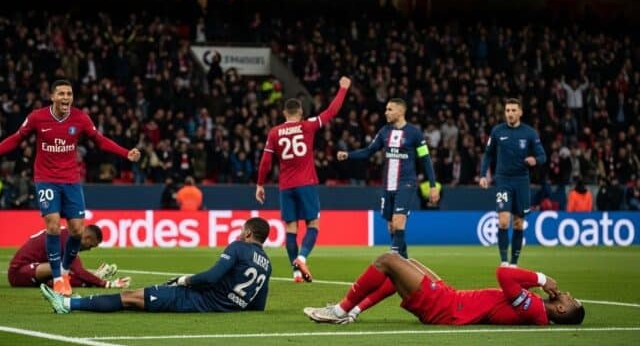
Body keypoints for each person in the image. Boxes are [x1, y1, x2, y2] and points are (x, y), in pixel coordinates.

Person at [0, 80, 140, 296]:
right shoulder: (37, 117)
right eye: (61, 94)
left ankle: (63, 269)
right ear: (52, 96)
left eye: (69, 94)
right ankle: (58, 277)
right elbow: (16, 139)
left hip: (71, 180)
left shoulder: (80, 118)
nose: (66, 98)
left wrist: (125, 153)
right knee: (53, 226)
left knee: (77, 230)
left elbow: (99, 140)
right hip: (46, 179)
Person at [40, 217, 272, 314]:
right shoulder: (267, 264)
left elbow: (211, 277)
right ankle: (71, 302)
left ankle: (67, 303)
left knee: (129, 297)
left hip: (196, 300)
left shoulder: (238, 246)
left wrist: (185, 280)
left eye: (243, 230)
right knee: (133, 300)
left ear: (248, 232)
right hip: (219, 305)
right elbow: (258, 306)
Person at [304, 252, 585, 326]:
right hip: (451, 301)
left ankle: (340, 310)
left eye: (570, 300)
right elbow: (512, 284)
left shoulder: (535, 309)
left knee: (388, 261)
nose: (568, 294)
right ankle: (353, 311)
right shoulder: (535, 309)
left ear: (560, 309)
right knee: (406, 264)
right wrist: (539, 284)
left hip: (446, 308)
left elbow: (504, 275)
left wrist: (541, 278)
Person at [255, 77, 351, 283]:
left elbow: (265, 162)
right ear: (300, 113)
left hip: (286, 186)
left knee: (291, 229)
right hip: (306, 183)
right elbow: (331, 111)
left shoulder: (274, 132)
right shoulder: (307, 126)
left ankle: (296, 273)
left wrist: (260, 184)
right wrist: (343, 89)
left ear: (283, 114)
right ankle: (301, 258)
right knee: (313, 224)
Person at [337, 98, 438, 259]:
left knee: (398, 222)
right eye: (386, 109)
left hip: (406, 183)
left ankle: (394, 259)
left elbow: (425, 159)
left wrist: (433, 185)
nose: (386, 112)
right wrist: (348, 155)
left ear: (400, 111)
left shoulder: (414, 133)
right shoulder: (384, 131)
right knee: (391, 227)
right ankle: (404, 262)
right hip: (387, 185)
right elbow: (369, 151)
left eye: (390, 109)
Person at [478, 98, 546, 267]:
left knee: (518, 223)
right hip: (503, 180)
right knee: (503, 220)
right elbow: (488, 154)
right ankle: (504, 261)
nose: (510, 113)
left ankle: (514, 262)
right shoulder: (497, 131)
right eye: (507, 110)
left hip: (522, 182)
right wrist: (482, 175)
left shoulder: (529, 133)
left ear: (520, 112)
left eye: (513, 110)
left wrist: (534, 160)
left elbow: (542, 156)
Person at [8, 224, 130, 289]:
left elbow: (77, 270)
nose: (89, 249)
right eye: (91, 246)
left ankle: (90, 280)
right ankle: (93, 279)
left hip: (33, 271)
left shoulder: (68, 234)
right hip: (19, 273)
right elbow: (79, 271)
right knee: (62, 268)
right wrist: (106, 284)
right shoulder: (70, 239)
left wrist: (92, 278)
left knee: (65, 273)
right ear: (87, 238)